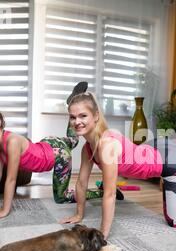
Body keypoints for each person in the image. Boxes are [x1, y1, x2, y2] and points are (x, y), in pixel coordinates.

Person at [61, 66, 176, 239]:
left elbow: (109, 194)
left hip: (169, 162)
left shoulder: (106, 145)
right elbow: (81, 183)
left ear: (95, 116)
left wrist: (103, 233)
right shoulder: (88, 149)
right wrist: (79, 213)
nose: (77, 121)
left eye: (83, 115)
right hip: (155, 147)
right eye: (73, 117)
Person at [0, 83, 113, 219]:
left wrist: (5, 210)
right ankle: (73, 100)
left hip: (58, 155)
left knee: (62, 197)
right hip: (47, 145)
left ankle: (101, 192)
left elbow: (11, 179)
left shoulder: (12, 142)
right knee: (73, 140)